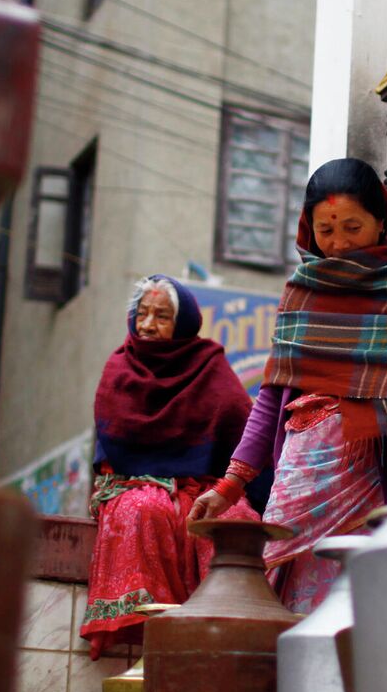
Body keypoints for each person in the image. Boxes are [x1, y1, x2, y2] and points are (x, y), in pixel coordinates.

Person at [188, 158, 387, 612]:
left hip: (372, 471)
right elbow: (272, 395)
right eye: (325, 230)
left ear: (381, 221)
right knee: (286, 578)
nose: (338, 244)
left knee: (360, 591)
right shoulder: (303, 293)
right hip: (299, 464)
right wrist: (229, 486)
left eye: (352, 227)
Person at [80, 274, 258, 658]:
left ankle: (224, 631)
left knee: (226, 523)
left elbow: (244, 433)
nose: (147, 324)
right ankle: (156, 632)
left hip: (204, 483)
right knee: (147, 509)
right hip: (130, 484)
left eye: (161, 316)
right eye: (142, 314)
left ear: (183, 324)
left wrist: (225, 488)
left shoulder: (210, 366)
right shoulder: (119, 368)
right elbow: (109, 452)